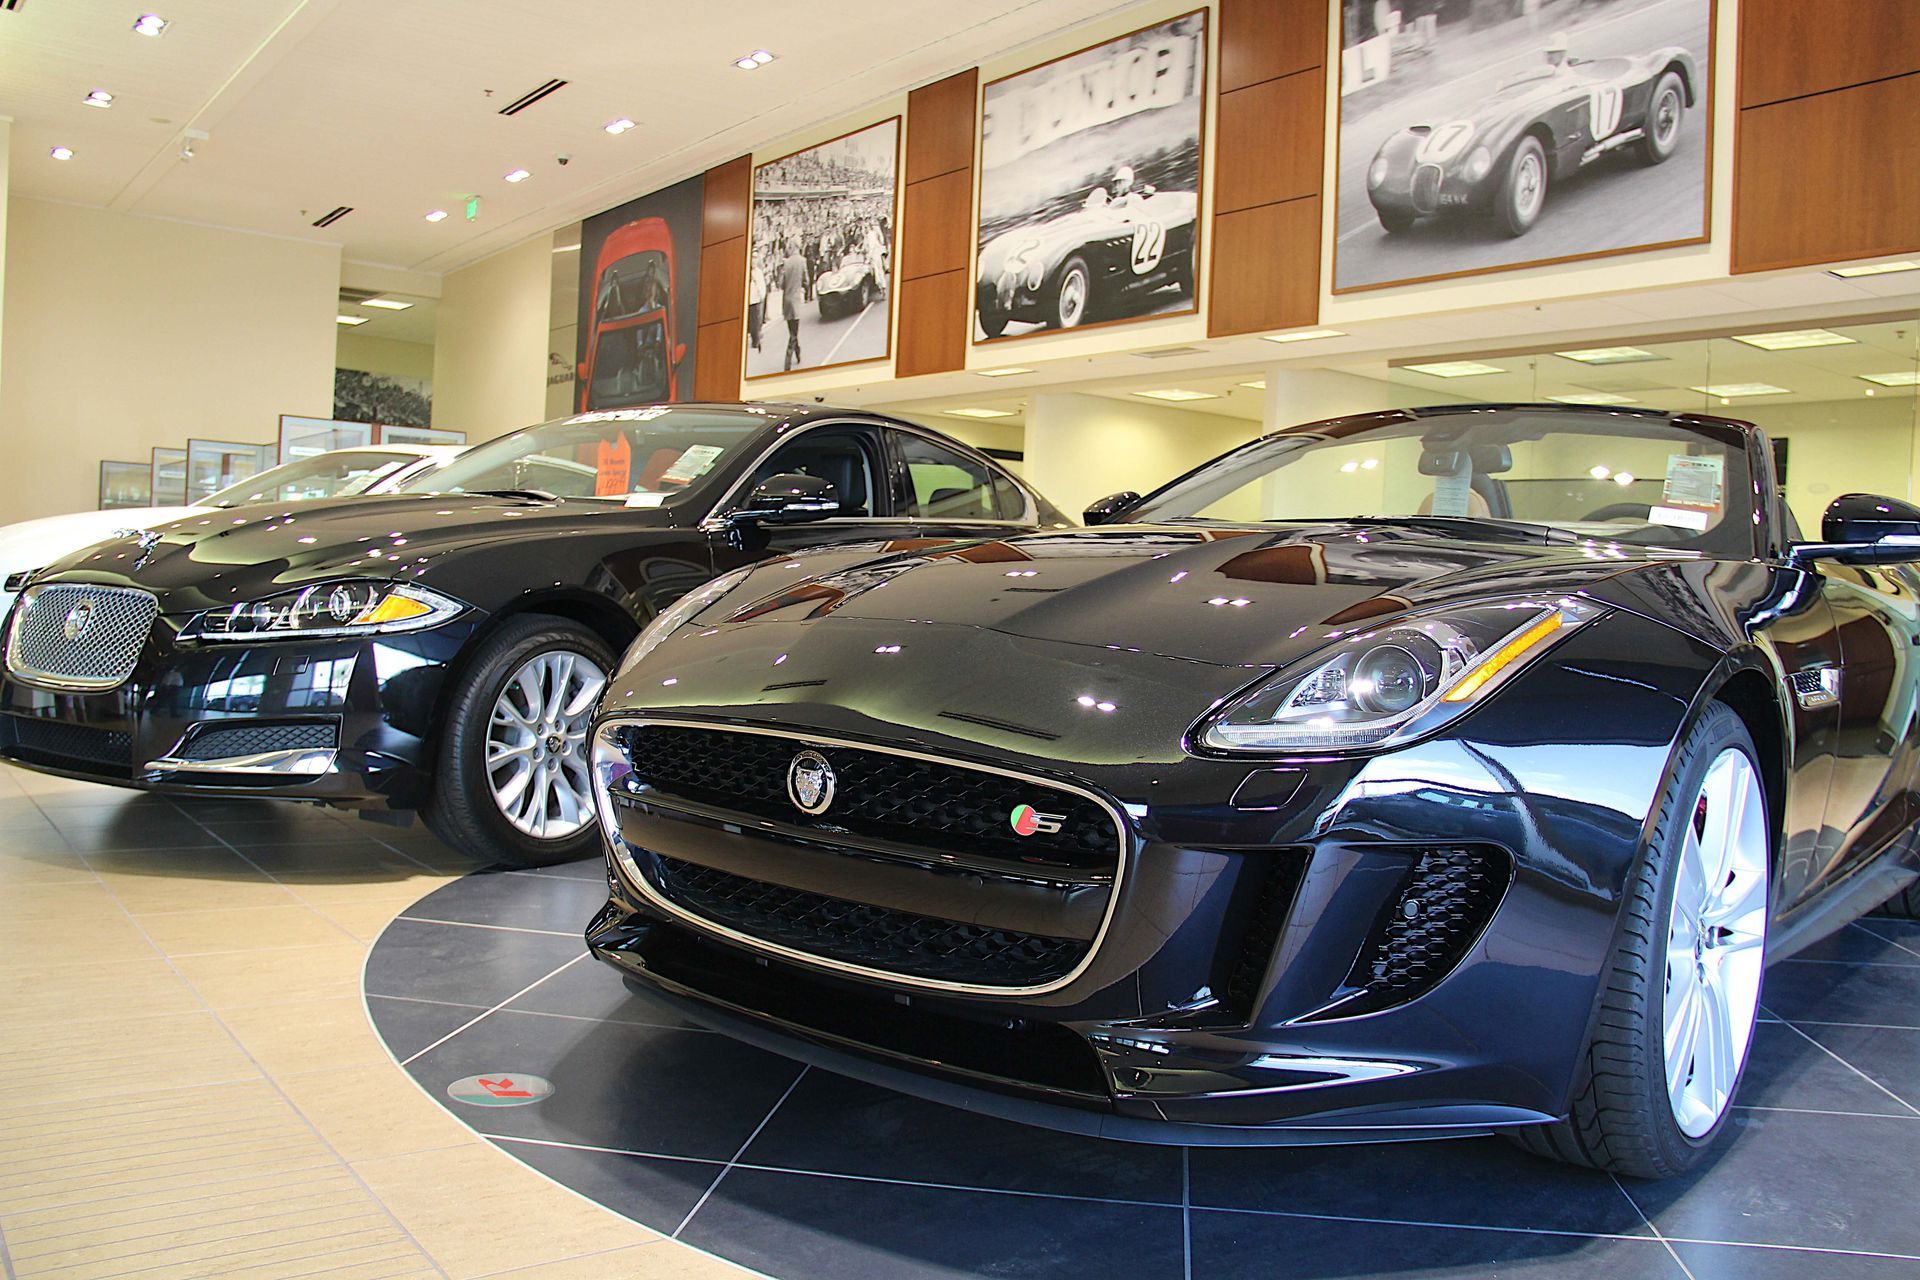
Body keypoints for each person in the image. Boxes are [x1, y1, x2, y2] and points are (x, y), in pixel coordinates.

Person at [778, 239, 808, 371]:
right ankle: (787, 361)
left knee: (792, 330)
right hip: (795, 299)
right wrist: (803, 287)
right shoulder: (802, 261)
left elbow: (781, 284)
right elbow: (806, 280)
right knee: (794, 333)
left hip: (786, 300)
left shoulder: (786, 263)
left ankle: (798, 352)